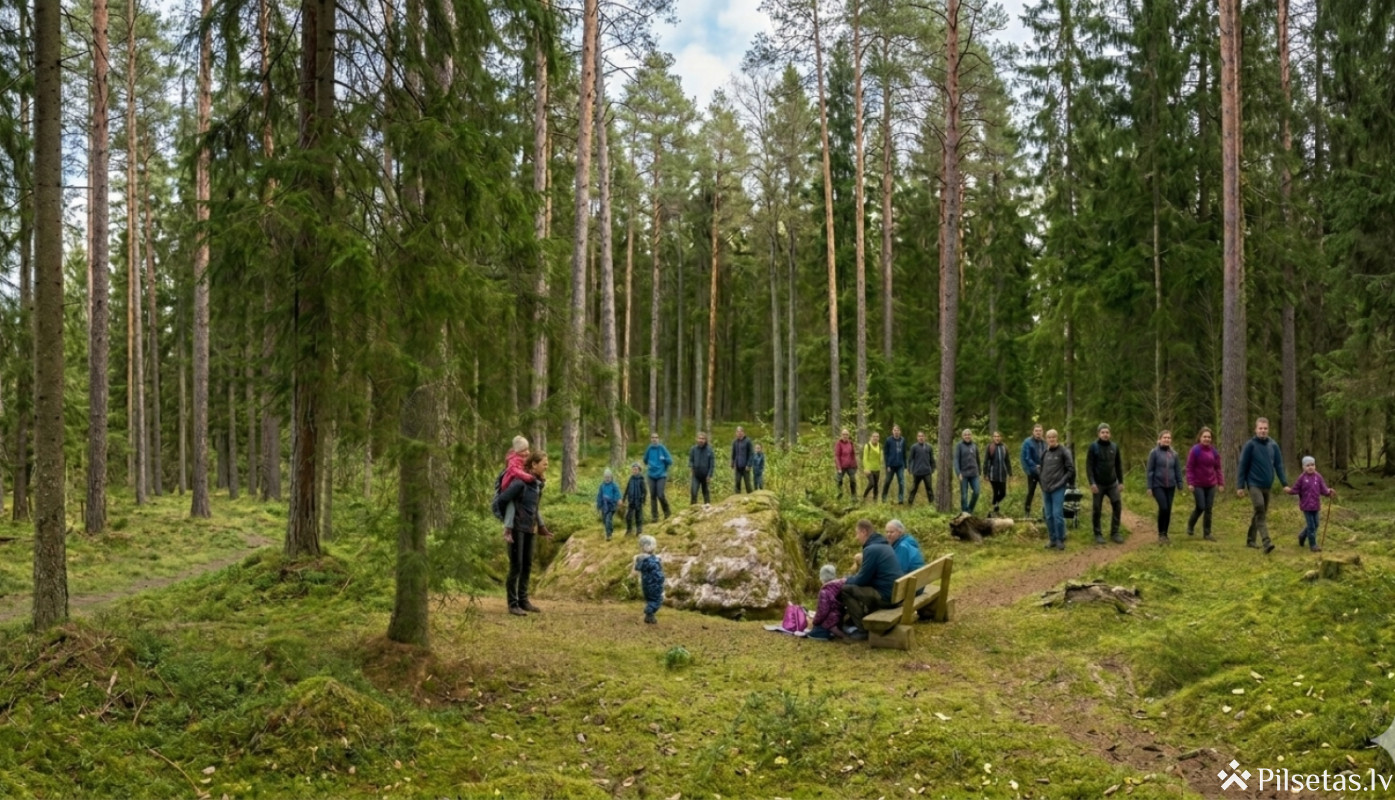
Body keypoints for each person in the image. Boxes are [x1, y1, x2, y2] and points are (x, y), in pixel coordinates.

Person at [497, 452, 553, 616]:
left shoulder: (536, 484)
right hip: (516, 528)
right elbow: (502, 500)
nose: (546, 467)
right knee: (516, 565)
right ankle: (512, 604)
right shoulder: (520, 482)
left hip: (530, 528)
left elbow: (534, 508)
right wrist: (509, 521)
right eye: (544, 463)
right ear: (534, 465)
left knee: (527, 565)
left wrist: (541, 526)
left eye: (547, 464)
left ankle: (523, 600)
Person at [838, 519, 905, 639]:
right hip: (896, 593)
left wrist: (844, 580)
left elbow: (862, 580)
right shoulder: (884, 545)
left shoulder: (871, 549)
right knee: (857, 588)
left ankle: (861, 628)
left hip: (887, 598)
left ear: (864, 532)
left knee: (845, 589)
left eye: (857, 533)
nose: (856, 537)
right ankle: (856, 619)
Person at [1237, 417, 1288, 555]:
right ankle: (1266, 541)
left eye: (1265, 428)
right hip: (1254, 484)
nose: (1263, 431)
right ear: (1256, 429)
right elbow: (1242, 465)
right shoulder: (1250, 445)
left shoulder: (1273, 445)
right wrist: (1240, 486)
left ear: (1268, 429)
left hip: (1267, 485)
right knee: (1260, 508)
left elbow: (1279, 466)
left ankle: (1250, 539)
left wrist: (1284, 483)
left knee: (1260, 513)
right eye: (1260, 428)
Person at [1285, 456, 1335, 552]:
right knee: (1311, 526)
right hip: (1306, 506)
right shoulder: (1302, 478)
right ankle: (1313, 545)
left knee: (1316, 524)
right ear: (1303, 467)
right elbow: (1295, 489)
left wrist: (1329, 492)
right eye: (1308, 465)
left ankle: (1302, 535)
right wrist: (1289, 490)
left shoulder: (1318, 477)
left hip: (1316, 505)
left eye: (1312, 465)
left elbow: (1323, 489)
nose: (1310, 467)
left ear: (1315, 466)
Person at [1086, 423, 1124, 544]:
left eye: (1107, 432)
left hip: (1112, 483)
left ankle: (1115, 532)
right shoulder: (1093, 447)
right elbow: (1089, 466)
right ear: (1098, 434)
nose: (1105, 434)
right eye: (1103, 432)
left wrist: (1121, 482)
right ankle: (1098, 533)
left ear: (1110, 434)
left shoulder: (1114, 447)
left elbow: (1118, 465)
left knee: (1117, 505)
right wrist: (1092, 483)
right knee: (1097, 508)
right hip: (1098, 484)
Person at [1185, 427, 1224, 540]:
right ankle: (1190, 525)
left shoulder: (1214, 452)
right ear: (1200, 437)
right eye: (1204, 437)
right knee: (1201, 506)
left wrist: (1221, 483)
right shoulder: (1195, 450)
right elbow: (1189, 467)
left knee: (1209, 509)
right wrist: (1190, 482)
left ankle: (1207, 533)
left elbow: (1218, 468)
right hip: (1198, 484)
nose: (1207, 439)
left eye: (1209, 437)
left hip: (1211, 484)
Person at [1039, 429, 1076, 551]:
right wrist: (1042, 482)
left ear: (1057, 438)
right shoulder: (1045, 452)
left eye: (1053, 437)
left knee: (1057, 514)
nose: (1051, 439)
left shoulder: (1064, 451)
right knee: (1048, 515)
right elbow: (1042, 469)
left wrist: (1062, 483)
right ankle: (1052, 539)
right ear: (1046, 439)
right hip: (1046, 488)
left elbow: (1070, 470)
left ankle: (1060, 539)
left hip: (1058, 488)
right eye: (1049, 437)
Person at [1146, 430, 1183, 544]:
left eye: (1168, 438)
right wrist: (1149, 487)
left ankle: (1165, 534)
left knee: (1168, 510)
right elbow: (1150, 471)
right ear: (1159, 439)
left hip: (1170, 486)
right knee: (1164, 508)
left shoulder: (1174, 454)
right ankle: (1160, 534)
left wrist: (1180, 483)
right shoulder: (1154, 453)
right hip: (1158, 485)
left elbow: (1177, 469)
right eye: (1164, 437)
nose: (1167, 439)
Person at [807, 564, 847, 641]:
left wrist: (814, 622)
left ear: (822, 577)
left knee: (813, 633)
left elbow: (822, 612)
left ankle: (829, 634)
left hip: (831, 620)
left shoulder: (825, 591)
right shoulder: (840, 586)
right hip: (840, 618)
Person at [633, 535, 665, 624]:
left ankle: (650, 617)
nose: (655, 547)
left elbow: (637, 569)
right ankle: (649, 612)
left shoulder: (643, 559)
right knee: (657, 600)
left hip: (648, 584)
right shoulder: (649, 560)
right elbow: (656, 573)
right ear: (647, 546)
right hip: (654, 584)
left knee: (651, 599)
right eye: (653, 545)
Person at [643, 433, 674, 522]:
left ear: (658, 439)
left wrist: (664, 459)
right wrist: (650, 465)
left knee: (660, 494)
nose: (654, 439)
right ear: (650, 439)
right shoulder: (649, 448)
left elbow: (670, 461)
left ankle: (667, 512)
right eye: (652, 438)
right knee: (653, 496)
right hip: (651, 475)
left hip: (661, 475)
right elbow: (645, 460)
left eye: (656, 437)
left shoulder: (662, 448)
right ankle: (655, 517)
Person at [984, 431, 1013, 518]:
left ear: (1001, 437)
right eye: (995, 436)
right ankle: (995, 510)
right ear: (993, 438)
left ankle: (994, 504)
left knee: (1003, 493)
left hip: (1002, 474)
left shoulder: (1004, 447)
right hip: (993, 474)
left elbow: (1007, 460)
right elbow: (986, 461)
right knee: (996, 492)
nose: (997, 438)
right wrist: (985, 473)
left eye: (998, 436)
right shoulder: (990, 447)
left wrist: (1010, 472)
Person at [1020, 425, 1046, 518]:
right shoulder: (1028, 442)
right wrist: (1035, 466)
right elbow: (1027, 457)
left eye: (1040, 431)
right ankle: (1027, 512)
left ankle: (1045, 512)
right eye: (1036, 431)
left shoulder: (1044, 442)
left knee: (1045, 491)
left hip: (1043, 472)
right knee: (1031, 492)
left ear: (1042, 432)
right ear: (1033, 432)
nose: (1038, 432)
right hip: (1032, 472)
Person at [953, 429, 982, 514]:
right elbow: (956, 460)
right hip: (964, 474)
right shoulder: (959, 446)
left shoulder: (974, 445)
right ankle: (964, 512)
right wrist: (958, 473)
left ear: (971, 435)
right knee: (964, 495)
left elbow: (978, 460)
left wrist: (979, 472)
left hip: (974, 473)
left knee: (976, 492)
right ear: (962, 436)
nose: (967, 436)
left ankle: (970, 510)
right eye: (965, 435)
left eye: (969, 434)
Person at [908, 431, 936, 505]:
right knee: (914, 488)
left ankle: (932, 503)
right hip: (917, 472)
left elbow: (932, 459)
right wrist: (910, 468)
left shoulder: (929, 447)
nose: (921, 438)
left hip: (927, 472)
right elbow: (910, 459)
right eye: (919, 436)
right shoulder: (914, 447)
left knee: (929, 488)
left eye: (922, 436)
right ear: (917, 438)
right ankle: (910, 502)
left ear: (925, 437)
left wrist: (933, 468)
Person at [884, 425, 908, 504]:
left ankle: (900, 499)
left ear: (900, 431)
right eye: (894, 430)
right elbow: (886, 453)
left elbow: (904, 453)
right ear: (892, 431)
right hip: (890, 466)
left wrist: (905, 465)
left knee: (901, 482)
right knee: (887, 481)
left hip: (900, 465)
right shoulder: (888, 440)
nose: (896, 432)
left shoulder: (903, 440)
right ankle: (884, 498)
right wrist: (887, 465)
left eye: (897, 430)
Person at [689, 431, 715, 504]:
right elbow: (690, 460)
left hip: (705, 476)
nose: (701, 440)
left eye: (703, 439)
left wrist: (709, 475)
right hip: (696, 475)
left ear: (705, 440)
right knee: (693, 492)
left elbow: (712, 464)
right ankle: (693, 509)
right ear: (696, 439)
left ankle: (708, 509)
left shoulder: (709, 450)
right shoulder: (693, 449)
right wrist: (691, 467)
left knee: (706, 493)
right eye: (699, 438)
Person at [622, 463, 647, 536]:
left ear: (639, 470)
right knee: (628, 517)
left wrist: (643, 500)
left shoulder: (641, 479)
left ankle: (639, 531)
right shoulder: (631, 479)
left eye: (636, 469)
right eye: (633, 469)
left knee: (638, 517)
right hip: (631, 501)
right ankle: (629, 530)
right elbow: (627, 489)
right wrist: (624, 498)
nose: (634, 471)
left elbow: (644, 491)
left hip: (638, 501)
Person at [596, 468, 621, 541]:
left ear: (611, 477)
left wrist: (618, 499)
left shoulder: (614, 485)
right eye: (606, 477)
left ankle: (608, 535)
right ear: (603, 478)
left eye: (608, 477)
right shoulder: (602, 486)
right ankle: (610, 529)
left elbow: (617, 493)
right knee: (604, 520)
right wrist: (598, 505)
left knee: (608, 520)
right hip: (604, 506)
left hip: (611, 506)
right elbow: (599, 496)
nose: (607, 479)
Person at [835, 429, 859, 498]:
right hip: (842, 466)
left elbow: (853, 455)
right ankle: (839, 494)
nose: (845, 436)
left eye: (846, 434)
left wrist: (855, 465)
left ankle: (854, 497)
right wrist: (839, 468)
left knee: (853, 481)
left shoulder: (850, 443)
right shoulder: (839, 443)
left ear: (848, 435)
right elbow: (837, 456)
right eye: (843, 434)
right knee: (838, 480)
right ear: (841, 435)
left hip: (850, 466)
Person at [731, 426, 755, 494]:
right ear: (736, 433)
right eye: (737, 432)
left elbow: (751, 454)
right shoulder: (735, 442)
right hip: (738, 466)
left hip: (746, 466)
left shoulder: (748, 441)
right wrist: (732, 462)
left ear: (743, 432)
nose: (739, 433)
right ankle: (737, 497)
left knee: (747, 483)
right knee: (737, 482)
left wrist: (749, 465)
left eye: (740, 432)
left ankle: (751, 496)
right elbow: (733, 453)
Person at [862, 432, 884, 502]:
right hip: (869, 469)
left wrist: (881, 463)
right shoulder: (867, 446)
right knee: (872, 483)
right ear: (871, 437)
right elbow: (865, 458)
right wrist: (866, 468)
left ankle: (875, 501)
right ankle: (864, 496)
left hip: (877, 468)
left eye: (877, 436)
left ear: (879, 438)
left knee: (876, 486)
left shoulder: (880, 446)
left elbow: (881, 456)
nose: (875, 438)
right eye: (874, 436)